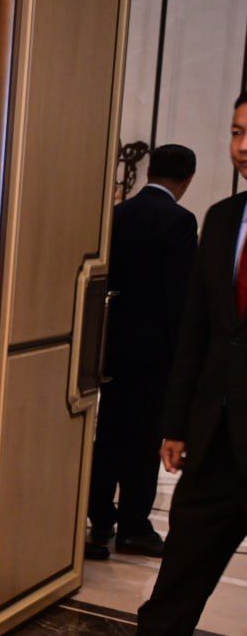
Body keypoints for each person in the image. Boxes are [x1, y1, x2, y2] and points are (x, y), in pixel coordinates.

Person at [61, 92, 247, 636]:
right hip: (217, 439)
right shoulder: (221, 219)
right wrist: (176, 424)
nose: (243, 146)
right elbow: (197, 329)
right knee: (179, 577)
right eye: (236, 132)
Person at [86, 144, 198, 560]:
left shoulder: (118, 214)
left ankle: (100, 517)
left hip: (111, 348)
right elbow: (179, 296)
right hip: (154, 355)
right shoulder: (180, 221)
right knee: (145, 439)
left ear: (149, 170)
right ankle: (134, 526)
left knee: (109, 435)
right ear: (187, 179)